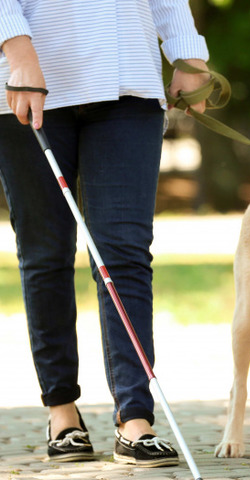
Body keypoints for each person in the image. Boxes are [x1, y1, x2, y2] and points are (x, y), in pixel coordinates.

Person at [0, 0, 211, 467]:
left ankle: (135, 418)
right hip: (29, 82)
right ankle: (62, 412)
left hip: (128, 83)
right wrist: (18, 51)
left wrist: (188, 54)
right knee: (45, 252)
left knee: (124, 252)